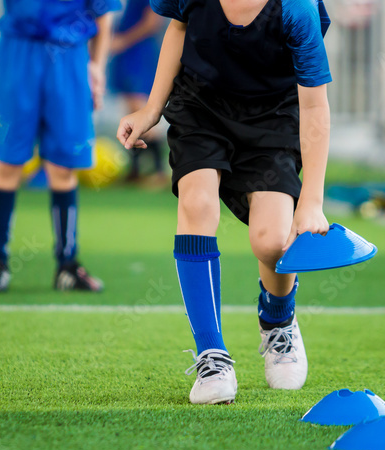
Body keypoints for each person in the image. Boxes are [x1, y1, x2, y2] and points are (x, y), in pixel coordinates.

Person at [117, 0, 333, 404]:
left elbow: (315, 106)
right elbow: (178, 31)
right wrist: (151, 109)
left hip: (273, 118)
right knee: (197, 203)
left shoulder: (296, 8)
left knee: (271, 241)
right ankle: (211, 357)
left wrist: (312, 200)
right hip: (201, 109)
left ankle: (278, 320)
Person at [0, 0, 120, 293]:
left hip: (69, 56)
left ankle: (67, 265)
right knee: (7, 163)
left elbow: (103, 12)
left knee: (63, 167)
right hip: (18, 52)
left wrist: (97, 66)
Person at [108, 0, 166, 186]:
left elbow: (152, 23)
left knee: (141, 112)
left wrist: (123, 40)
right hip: (126, 55)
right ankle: (135, 170)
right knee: (129, 114)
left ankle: (158, 171)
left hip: (140, 53)